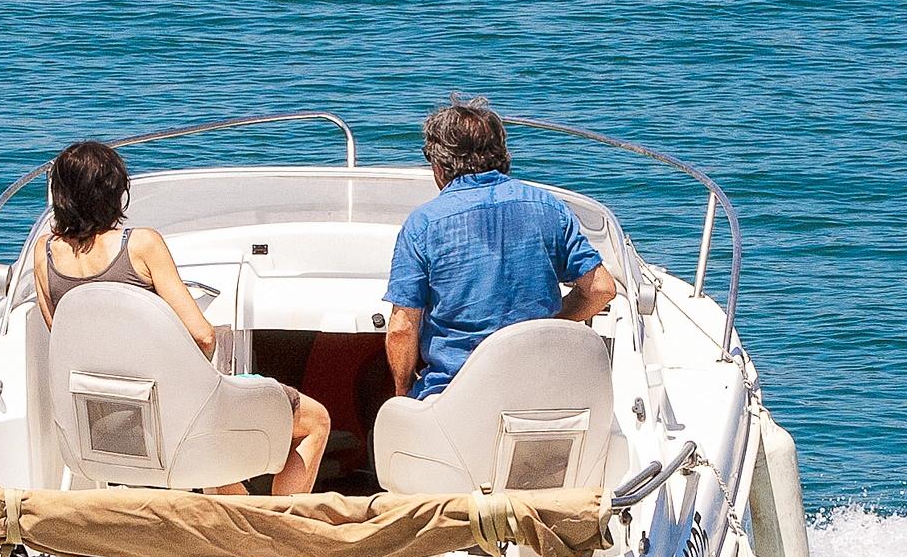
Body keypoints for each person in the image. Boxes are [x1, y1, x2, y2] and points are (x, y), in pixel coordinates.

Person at [34, 139, 329, 495]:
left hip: (102, 428)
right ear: (115, 193)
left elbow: (62, 336)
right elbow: (204, 337)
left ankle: (248, 534)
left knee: (218, 459)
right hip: (174, 425)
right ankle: (279, 533)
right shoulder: (141, 245)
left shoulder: (44, 252)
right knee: (315, 420)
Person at [384, 101, 619, 399]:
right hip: (543, 391)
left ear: (439, 164)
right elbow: (601, 288)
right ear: (502, 155)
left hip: (457, 395)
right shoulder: (548, 207)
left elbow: (402, 328)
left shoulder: (424, 224)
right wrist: (552, 322)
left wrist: (403, 391)